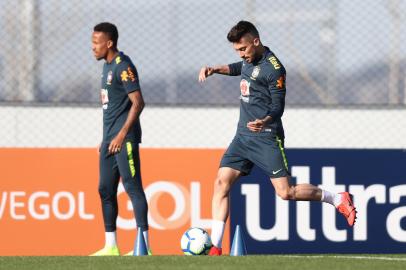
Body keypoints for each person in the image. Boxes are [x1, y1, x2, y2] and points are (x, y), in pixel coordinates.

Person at [198, 21, 357, 256]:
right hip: (242, 137)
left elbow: (278, 106)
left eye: (243, 49)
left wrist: (265, 120)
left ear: (255, 41)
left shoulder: (274, 68)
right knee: (221, 183)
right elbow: (238, 68)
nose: (241, 54)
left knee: (286, 193)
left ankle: (337, 198)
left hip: (265, 137)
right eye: (237, 51)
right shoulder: (249, 60)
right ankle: (216, 247)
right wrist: (214, 69)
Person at [91, 22, 150, 256]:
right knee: (105, 189)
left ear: (109, 43)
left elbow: (138, 102)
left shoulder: (123, 66)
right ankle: (111, 246)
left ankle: (143, 247)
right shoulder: (106, 67)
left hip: (124, 140)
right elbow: (113, 108)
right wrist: (105, 139)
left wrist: (122, 134)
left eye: (96, 43)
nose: (92, 47)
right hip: (109, 142)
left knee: (133, 188)